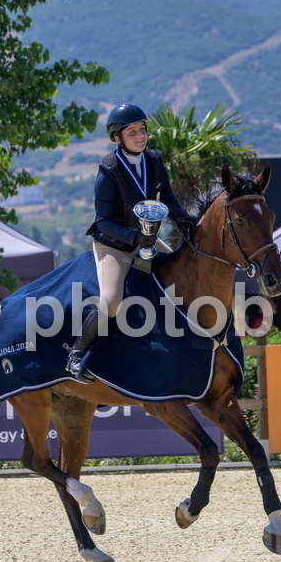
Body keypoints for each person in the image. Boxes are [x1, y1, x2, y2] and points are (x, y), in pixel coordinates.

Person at [66, 102, 194, 381]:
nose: (140, 136)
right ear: (117, 138)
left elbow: (169, 201)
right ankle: (76, 355)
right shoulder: (109, 169)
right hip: (113, 244)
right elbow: (103, 221)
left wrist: (187, 221)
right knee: (112, 301)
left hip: (147, 240)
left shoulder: (154, 161)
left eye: (142, 130)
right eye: (132, 132)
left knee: (180, 275)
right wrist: (135, 237)